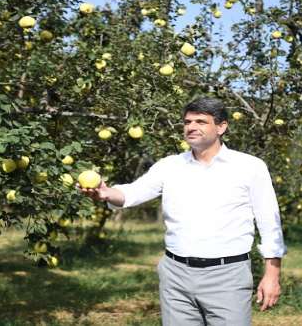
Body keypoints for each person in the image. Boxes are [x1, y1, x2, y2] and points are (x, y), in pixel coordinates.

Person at [79, 97, 286, 326]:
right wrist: (106, 193)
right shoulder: (170, 166)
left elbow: (269, 223)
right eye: (187, 122)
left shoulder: (249, 167)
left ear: (221, 127)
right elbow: (133, 193)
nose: (191, 127)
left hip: (227, 275)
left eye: (200, 121)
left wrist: (272, 275)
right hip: (176, 274)